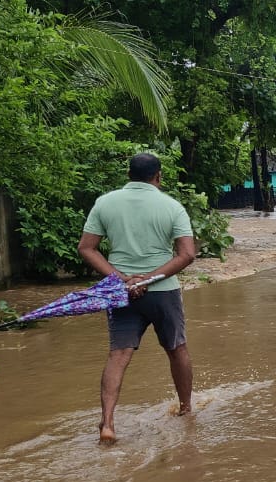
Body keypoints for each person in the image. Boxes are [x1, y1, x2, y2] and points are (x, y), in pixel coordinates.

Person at [77, 152, 196, 445]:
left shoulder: (105, 203)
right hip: (163, 291)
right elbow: (187, 254)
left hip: (121, 293)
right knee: (176, 349)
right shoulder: (172, 206)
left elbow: (87, 248)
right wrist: (149, 278)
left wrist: (122, 279)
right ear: (159, 176)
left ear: (129, 174)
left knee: (118, 356)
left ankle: (107, 423)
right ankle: (185, 410)